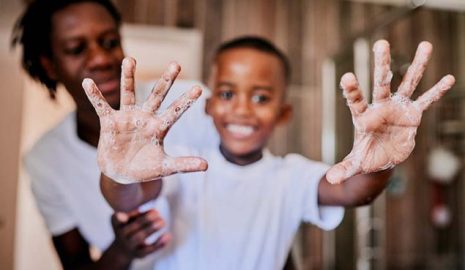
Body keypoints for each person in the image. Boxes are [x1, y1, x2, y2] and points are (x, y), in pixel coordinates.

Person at [84, 36, 455, 269]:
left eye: (261, 97)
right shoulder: (181, 163)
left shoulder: (290, 177)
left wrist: (381, 163)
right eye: (228, 94)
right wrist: (121, 173)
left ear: (283, 113)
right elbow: (129, 198)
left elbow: (352, 191)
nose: (243, 109)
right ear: (210, 107)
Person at [12, 0, 216, 269]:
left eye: (109, 42)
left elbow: (263, 190)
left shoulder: (191, 101)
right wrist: (122, 250)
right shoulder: (45, 159)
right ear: (50, 65)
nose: (101, 59)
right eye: (76, 49)